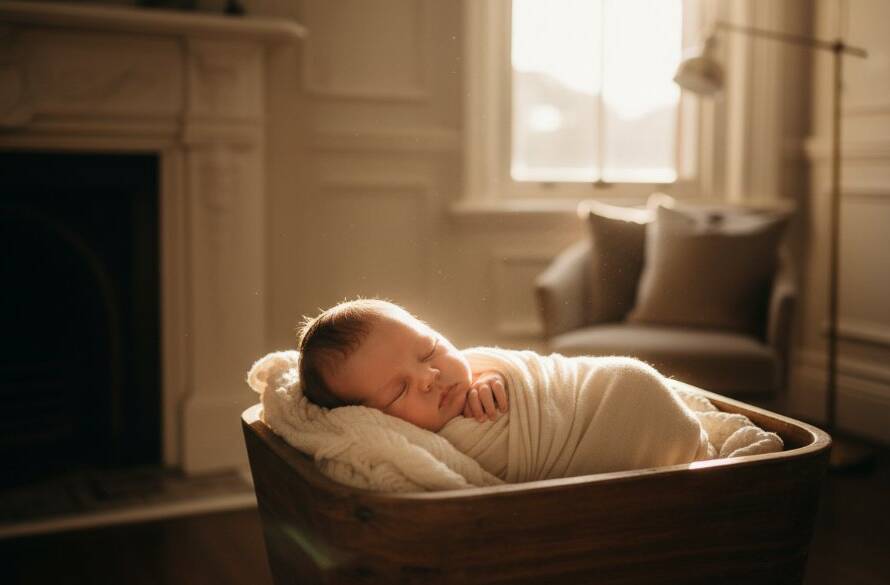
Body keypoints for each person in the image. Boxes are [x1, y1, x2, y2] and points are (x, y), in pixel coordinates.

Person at [298, 299, 507, 432]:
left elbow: (529, 373)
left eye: (429, 351)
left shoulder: (483, 369)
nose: (428, 377)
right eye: (399, 391)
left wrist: (500, 377)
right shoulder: (413, 453)